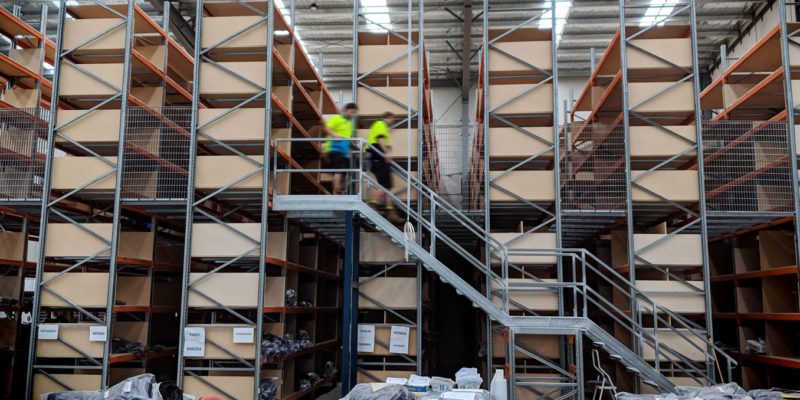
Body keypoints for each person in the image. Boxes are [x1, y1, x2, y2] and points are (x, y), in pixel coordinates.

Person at [367, 112, 403, 223]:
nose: (393, 122)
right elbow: (380, 139)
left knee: (387, 186)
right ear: (388, 117)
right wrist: (386, 153)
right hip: (378, 158)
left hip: (380, 159)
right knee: (384, 185)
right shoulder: (380, 124)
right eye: (393, 119)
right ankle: (372, 205)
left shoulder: (384, 128)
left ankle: (390, 211)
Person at [324, 103, 358, 194]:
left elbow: (348, 138)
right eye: (351, 112)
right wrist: (335, 135)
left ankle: (339, 189)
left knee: (345, 171)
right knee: (339, 169)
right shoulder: (336, 118)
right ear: (345, 110)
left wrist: (355, 146)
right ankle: (337, 191)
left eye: (354, 113)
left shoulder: (349, 124)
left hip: (344, 152)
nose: (352, 115)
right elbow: (327, 128)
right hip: (334, 149)